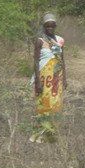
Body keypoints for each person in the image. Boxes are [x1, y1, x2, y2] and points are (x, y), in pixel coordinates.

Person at [30, 13, 67, 142]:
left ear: (55, 26)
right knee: (43, 105)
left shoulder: (60, 41)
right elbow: (35, 61)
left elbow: (61, 60)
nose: (50, 28)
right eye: (47, 26)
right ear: (44, 26)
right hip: (43, 79)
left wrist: (65, 79)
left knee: (55, 105)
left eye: (52, 26)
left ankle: (51, 135)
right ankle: (39, 134)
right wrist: (38, 82)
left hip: (56, 79)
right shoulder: (40, 40)